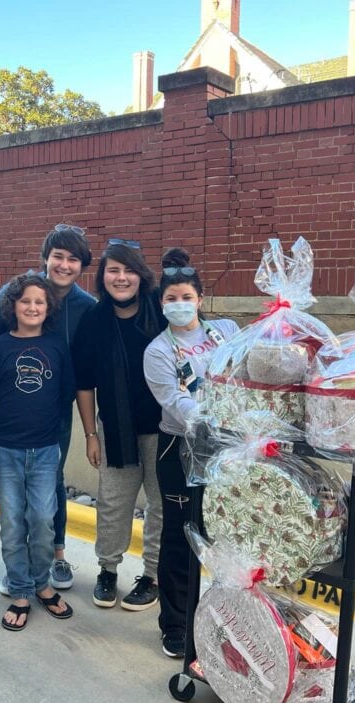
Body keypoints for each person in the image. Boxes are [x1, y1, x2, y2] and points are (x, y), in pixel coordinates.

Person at [0, 224, 95, 591]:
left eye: (73, 259)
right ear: (45, 258)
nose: (64, 265)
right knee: (17, 511)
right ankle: (20, 573)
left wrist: (92, 428)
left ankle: (55, 557)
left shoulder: (86, 307)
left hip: (56, 411)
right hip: (15, 413)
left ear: (82, 266)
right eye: (57, 256)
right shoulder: (23, 290)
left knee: (50, 488)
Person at [143, 248, 238, 658]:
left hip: (229, 448)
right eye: (170, 298)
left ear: (200, 298)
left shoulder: (227, 332)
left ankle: (225, 620)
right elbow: (175, 403)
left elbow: (246, 372)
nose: (179, 305)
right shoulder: (157, 352)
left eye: (186, 297)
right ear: (161, 304)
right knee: (181, 536)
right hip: (179, 449)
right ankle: (176, 623)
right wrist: (220, 417)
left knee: (225, 534)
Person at [0, 273, 76, 630]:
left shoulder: (57, 348)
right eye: (25, 301)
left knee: (44, 519)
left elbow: (65, 398)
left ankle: (42, 583)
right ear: (12, 305)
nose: (32, 307)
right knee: (13, 523)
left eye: (40, 302)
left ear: (49, 309)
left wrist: (56, 443)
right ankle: (19, 590)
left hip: (46, 450)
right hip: (5, 452)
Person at [72, 239, 165, 611]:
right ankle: (108, 570)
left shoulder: (160, 311)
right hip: (116, 430)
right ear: (102, 276)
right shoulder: (94, 320)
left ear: (141, 276)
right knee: (113, 503)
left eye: (129, 270)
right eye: (113, 270)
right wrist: (91, 435)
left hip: (165, 430)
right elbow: (83, 382)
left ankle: (153, 576)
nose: (121, 277)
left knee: (161, 505)